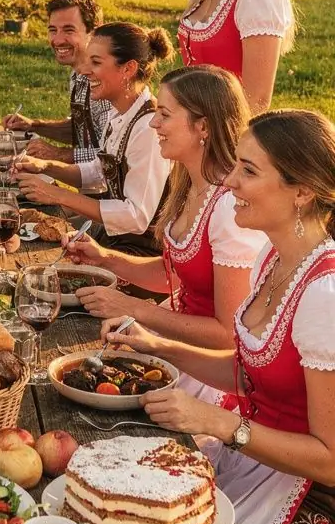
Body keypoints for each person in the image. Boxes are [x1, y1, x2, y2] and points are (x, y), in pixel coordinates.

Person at [102, 109, 335, 524]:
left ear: (302, 191)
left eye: (249, 170)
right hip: (256, 459)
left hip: (310, 497)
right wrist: (159, 347)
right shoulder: (272, 257)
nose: (229, 181)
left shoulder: (324, 297)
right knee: (126, 520)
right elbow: (249, 373)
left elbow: (330, 457)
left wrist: (221, 423)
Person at [72, 67, 265, 366]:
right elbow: (174, 274)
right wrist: (104, 258)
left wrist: (134, 307)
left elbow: (228, 335)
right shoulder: (188, 184)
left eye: (164, 114)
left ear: (203, 126)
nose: (153, 123)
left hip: (207, 364)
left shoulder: (229, 209)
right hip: (175, 334)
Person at [17, 22, 173, 255]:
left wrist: (58, 194)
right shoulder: (119, 112)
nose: (83, 70)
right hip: (115, 239)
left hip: (143, 254)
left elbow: (136, 216)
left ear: (128, 69)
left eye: (96, 62)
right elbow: (100, 172)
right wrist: (46, 167)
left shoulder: (148, 128)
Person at [3, 0, 109, 166]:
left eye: (69, 30)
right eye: (53, 30)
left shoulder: (105, 82)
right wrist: (33, 125)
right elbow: (84, 130)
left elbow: (114, 154)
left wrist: (57, 154)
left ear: (94, 32)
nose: (58, 40)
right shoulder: (78, 74)